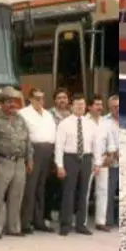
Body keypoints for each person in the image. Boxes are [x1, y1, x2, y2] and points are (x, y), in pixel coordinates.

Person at [54, 94, 102, 236]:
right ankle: (65, 224)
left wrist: (97, 162)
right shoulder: (64, 124)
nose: (80, 106)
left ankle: (81, 224)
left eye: (82, 104)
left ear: (85, 106)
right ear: (72, 106)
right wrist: (59, 165)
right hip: (70, 158)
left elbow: (96, 145)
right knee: (68, 191)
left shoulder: (91, 124)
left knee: (84, 192)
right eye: (77, 104)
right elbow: (59, 146)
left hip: (86, 158)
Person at [0, 87, 32, 238]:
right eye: (8, 102)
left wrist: (30, 159)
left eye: (14, 101)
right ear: (1, 103)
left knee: (16, 196)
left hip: (19, 162)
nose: (12, 104)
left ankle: (14, 228)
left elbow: (27, 140)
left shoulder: (20, 119)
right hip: (2, 160)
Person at [19, 88, 57, 234]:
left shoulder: (47, 114)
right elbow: (24, 137)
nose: (40, 101)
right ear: (30, 99)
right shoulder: (23, 113)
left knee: (41, 188)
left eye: (42, 98)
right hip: (33, 150)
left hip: (48, 151)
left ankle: (39, 220)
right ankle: (25, 222)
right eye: (37, 98)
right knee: (30, 188)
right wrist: (28, 157)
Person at [44, 88, 72, 224]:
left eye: (64, 97)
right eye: (59, 98)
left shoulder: (72, 114)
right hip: (53, 154)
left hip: (69, 155)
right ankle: (46, 216)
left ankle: (64, 216)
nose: (62, 100)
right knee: (51, 186)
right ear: (54, 100)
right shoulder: (48, 115)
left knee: (66, 188)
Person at [94, 95, 121, 231]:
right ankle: (108, 220)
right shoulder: (104, 122)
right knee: (109, 192)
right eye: (114, 107)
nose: (117, 109)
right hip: (112, 161)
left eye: (119, 106)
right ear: (109, 108)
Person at [83, 95, 105, 225]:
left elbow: (109, 140)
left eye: (101, 104)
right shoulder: (84, 121)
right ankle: (82, 221)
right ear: (89, 107)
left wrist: (109, 154)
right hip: (89, 158)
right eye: (97, 104)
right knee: (85, 190)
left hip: (104, 159)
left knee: (102, 190)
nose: (100, 107)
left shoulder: (105, 121)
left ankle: (100, 221)